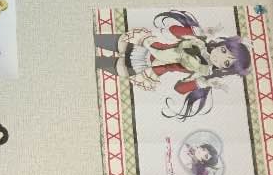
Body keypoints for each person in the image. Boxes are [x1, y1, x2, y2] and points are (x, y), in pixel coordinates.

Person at [94, 10, 251, 120]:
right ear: (221, 44)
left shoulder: (204, 72)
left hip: (151, 69)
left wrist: (203, 83)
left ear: (224, 69)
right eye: (223, 50)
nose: (219, 57)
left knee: (102, 65)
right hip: (149, 46)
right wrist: (200, 32)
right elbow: (173, 30)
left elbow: (179, 88)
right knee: (99, 41)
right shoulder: (200, 41)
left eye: (226, 62)